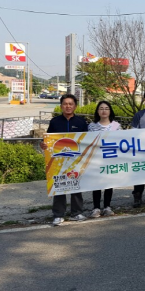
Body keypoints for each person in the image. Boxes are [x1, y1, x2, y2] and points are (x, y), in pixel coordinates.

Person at [40, 94, 88, 226]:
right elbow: (47, 140)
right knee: (59, 186)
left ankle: (76, 213)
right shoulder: (54, 122)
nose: (68, 106)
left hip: (76, 160)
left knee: (76, 185)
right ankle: (58, 215)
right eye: (65, 104)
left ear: (75, 106)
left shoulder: (81, 122)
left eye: (70, 104)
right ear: (61, 106)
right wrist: (43, 144)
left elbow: (87, 140)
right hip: (58, 160)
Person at [88, 101, 122, 218]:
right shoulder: (92, 126)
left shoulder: (116, 126)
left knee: (109, 183)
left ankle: (107, 206)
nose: (104, 111)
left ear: (110, 111)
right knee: (96, 184)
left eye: (106, 108)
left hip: (110, 158)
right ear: (97, 111)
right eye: (101, 108)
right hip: (96, 159)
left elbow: (120, 141)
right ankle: (96, 208)